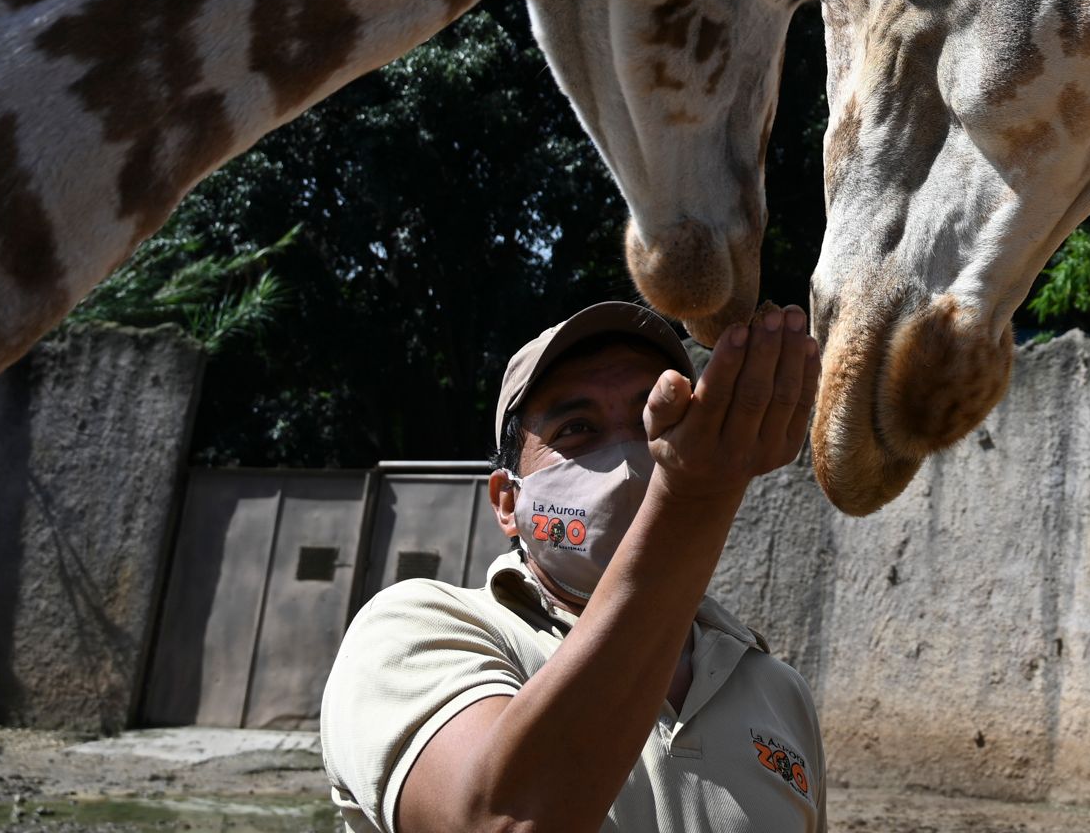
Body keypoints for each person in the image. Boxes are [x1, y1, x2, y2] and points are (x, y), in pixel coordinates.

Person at [322, 299, 825, 833]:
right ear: (507, 503)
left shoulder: (778, 691)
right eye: (577, 428)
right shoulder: (415, 630)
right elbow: (494, 821)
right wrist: (693, 499)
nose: (629, 458)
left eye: (649, 418)